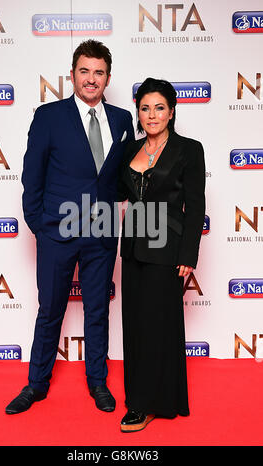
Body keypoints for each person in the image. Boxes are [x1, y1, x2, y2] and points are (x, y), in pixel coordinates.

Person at [5, 40, 134, 415]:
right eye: (84, 71)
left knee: (98, 310)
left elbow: (122, 176)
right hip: (57, 234)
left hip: (103, 235)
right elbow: (32, 178)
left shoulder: (123, 120)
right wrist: (41, 228)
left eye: (98, 72)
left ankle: (98, 382)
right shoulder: (48, 116)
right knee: (50, 311)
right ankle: (36, 384)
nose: (91, 79)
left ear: (108, 77)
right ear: (72, 74)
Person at [118, 77, 205, 432]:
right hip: (133, 248)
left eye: (159, 108)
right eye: (144, 108)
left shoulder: (189, 149)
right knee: (135, 325)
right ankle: (138, 393)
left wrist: (189, 254)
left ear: (171, 112)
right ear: (138, 112)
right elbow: (114, 190)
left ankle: (146, 404)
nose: (151, 115)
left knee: (158, 324)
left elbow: (196, 204)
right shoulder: (129, 150)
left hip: (167, 249)